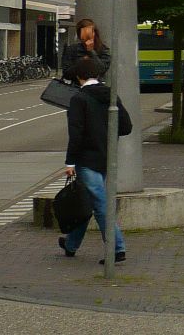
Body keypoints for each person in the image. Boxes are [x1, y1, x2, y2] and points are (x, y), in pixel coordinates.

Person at [58, 57, 133, 264]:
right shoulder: (111, 95)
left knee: (99, 204)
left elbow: (76, 133)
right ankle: (71, 244)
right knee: (89, 200)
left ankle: (117, 248)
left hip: (86, 159)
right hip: (105, 158)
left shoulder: (78, 99)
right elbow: (126, 127)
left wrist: (70, 162)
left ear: (79, 76)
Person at [61, 18, 111, 86]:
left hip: (95, 89)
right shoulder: (72, 49)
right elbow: (66, 73)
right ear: (80, 35)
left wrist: (91, 51)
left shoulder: (103, 50)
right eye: (84, 33)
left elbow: (102, 69)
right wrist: (81, 62)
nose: (87, 36)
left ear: (94, 33)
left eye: (89, 32)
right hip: (75, 89)